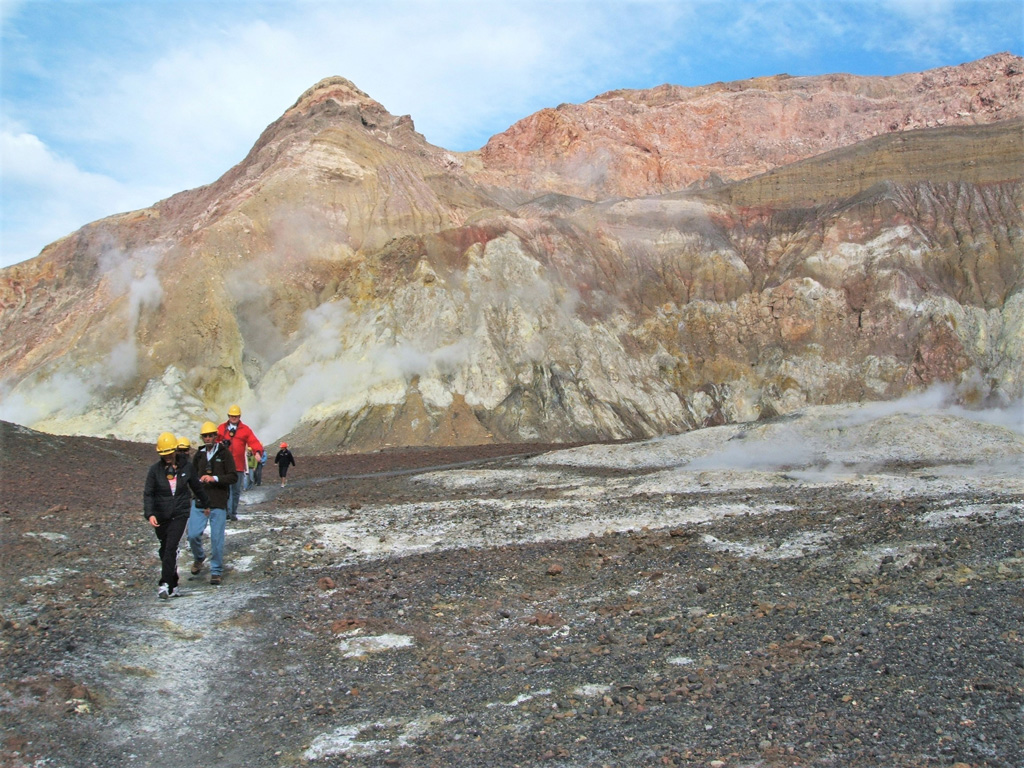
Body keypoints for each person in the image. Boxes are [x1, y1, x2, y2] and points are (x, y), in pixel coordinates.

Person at [144, 432, 211, 599]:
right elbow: (148, 494)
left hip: (180, 514)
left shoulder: (186, 468)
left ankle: (164, 584)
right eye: (163, 454)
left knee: (171, 547)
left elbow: (197, 487)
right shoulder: (154, 471)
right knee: (165, 550)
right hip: (161, 515)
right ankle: (173, 584)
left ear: (175, 451)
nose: (167, 456)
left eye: (169, 453)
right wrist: (150, 514)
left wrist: (206, 503)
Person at [188, 421, 237, 586]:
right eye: (205, 436)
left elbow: (233, 476)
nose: (208, 438)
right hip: (200, 501)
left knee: (217, 539)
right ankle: (199, 557)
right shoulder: (199, 455)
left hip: (217, 501)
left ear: (216, 436)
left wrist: (215, 479)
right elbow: (191, 476)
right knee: (193, 534)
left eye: (210, 435)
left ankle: (216, 571)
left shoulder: (224, 454)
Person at [217, 404, 263, 521]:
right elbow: (214, 441)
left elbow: (253, 441)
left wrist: (257, 452)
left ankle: (232, 512)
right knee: (225, 490)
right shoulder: (221, 429)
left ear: (239, 416)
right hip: (223, 466)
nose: (234, 418)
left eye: (236, 416)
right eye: (232, 416)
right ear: (228, 416)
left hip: (238, 466)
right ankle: (226, 512)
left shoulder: (245, 430)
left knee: (235, 490)